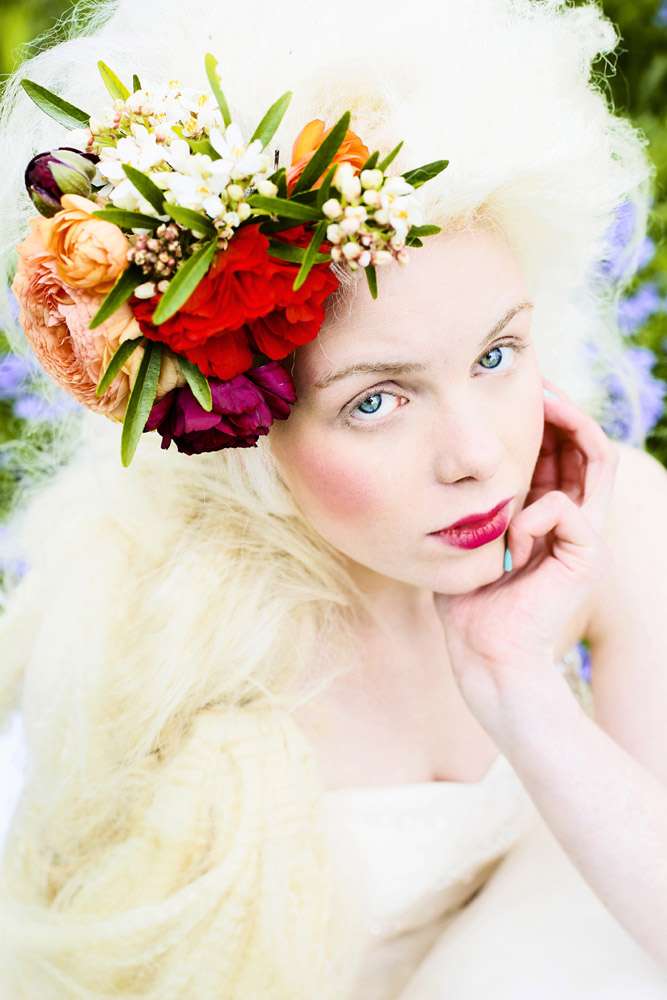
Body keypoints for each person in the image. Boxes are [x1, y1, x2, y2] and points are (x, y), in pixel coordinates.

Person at [1, 0, 667, 997]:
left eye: (495, 354)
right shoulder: (167, 662)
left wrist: (522, 692)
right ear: (239, 427)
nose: (478, 455)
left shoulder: (605, 515)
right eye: (376, 401)